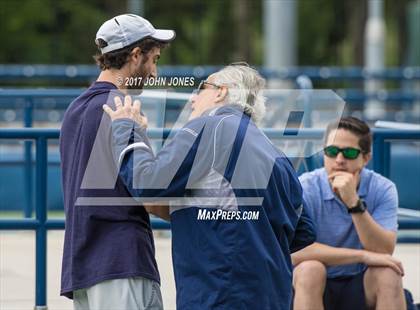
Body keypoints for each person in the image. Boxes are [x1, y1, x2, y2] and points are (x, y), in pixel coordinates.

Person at [103, 64, 316, 309]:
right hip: (273, 296)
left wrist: (128, 129)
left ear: (220, 92)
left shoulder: (207, 126)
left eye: (201, 89)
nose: (193, 97)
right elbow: (303, 232)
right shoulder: (277, 153)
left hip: (218, 294)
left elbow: (148, 184)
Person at [59, 14, 175, 310]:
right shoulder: (122, 110)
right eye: (154, 60)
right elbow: (151, 198)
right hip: (123, 263)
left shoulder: (76, 109)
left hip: (84, 267)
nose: (155, 73)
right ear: (136, 55)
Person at [292, 117, 406, 310]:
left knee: (389, 273)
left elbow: (383, 251)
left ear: (366, 158)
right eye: (331, 151)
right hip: (313, 284)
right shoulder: (305, 187)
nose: (339, 160)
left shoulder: (383, 188)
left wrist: (353, 203)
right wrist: (362, 256)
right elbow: (295, 251)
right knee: (310, 269)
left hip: (361, 282)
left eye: (350, 153)